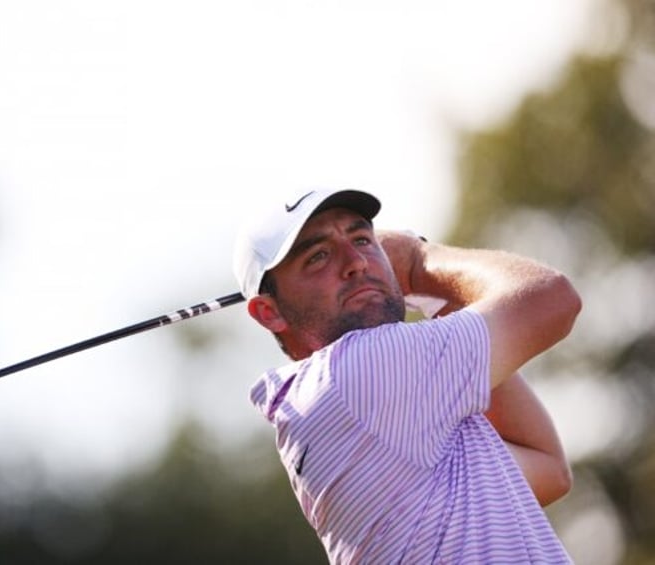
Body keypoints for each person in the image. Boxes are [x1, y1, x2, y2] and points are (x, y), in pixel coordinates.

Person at [232, 188, 582, 564]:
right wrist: (419, 261)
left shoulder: (391, 411)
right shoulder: (357, 371)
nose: (356, 262)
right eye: (318, 256)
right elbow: (553, 298)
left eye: (362, 239)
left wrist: (432, 297)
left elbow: (547, 469)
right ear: (269, 312)